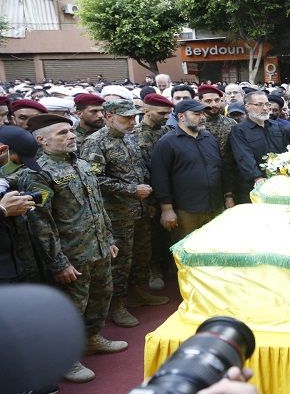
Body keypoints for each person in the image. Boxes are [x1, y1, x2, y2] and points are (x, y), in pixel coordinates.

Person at [21, 114, 127, 383]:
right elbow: (41, 225)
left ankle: (92, 338)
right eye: (62, 133)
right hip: (71, 255)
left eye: (71, 131)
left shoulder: (81, 164)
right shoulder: (38, 174)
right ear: (41, 140)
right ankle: (64, 357)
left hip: (98, 248)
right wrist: (59, 263)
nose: (71, 136)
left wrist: (109, 239)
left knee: (101, 296)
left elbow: (97, 207)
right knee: (69, 309)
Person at [80, 100, 168, 328]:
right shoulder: (95, 143)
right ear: (109, 117)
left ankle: (139, 292)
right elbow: (94, 180)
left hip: (139, 208)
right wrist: (131, 190)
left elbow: (139, 170)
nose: (132, 122)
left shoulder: (130, 136)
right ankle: (117, 305)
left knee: (141, 253)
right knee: (120, 261)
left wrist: (147, 199)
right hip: (115, 214)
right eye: (126, 118)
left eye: (133, 117)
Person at [151, 99, 232, 242]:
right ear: (181, 117)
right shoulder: (167, 142)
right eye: (196, 114)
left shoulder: (209, 138)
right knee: (186, 250)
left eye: (202, 114)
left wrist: (228, 196)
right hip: (186, 210)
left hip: (214, 206)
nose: (202, 117)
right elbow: (160, 178)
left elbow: (221, 169)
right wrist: (167, 209)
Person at [133, 94, 174, 292]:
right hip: (146, 196)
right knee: (151, 237)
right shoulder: (133, 134)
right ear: (145, 110)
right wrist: (149, 201)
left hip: (169, 191)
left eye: (169, 113)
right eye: (162, 113)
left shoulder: (169, 131)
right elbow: (136, 170)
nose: (166, 117)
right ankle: (154, 269)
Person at [230, 91, 289, 204]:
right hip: (254, 185)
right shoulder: (239, 130)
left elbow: (285, 151)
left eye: (267, 104)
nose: (265, 108)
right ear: (247, 106)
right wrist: (257, 177)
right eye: (259, 104)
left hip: (279, 181)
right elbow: (244, 156)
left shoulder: (277, 126)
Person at [0, 126, 40, 283]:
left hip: (11, 266)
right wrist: (3, 210)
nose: (19, 168)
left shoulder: (4, 181)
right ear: (3, 150)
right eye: (17, 162)